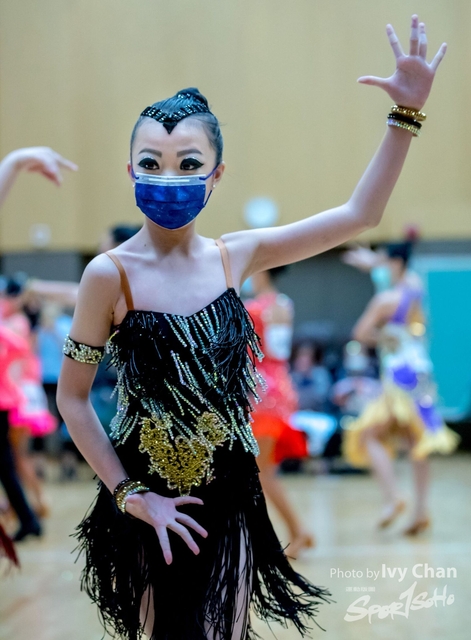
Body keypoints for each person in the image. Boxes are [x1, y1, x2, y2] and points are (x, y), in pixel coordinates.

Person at [57, 17, 446, 639]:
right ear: (130, 170)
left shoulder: (235, 256)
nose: (169, 177)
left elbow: (360, 213)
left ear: (216, 174)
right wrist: (130, 495)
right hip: (145, 495)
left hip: (230, 491)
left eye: (189, 163)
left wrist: (405, 115)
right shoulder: (108, 274)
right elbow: (73, 399)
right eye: (152, 162)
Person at [343, 241, 459, 534]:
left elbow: (360, 332)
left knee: (368, 435)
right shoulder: (415, 289)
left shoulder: (386, 301)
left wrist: (382, 336)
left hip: (399, 375)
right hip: (421, 373)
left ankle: (393, 497)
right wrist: (374, 262)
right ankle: (420, 511)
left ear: (395, 263)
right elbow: (396, 275)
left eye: (385, 261)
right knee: (416, 441)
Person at [0, 147, 76, 543]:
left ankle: (30, 510)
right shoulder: (12, 322)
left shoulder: (16, 325)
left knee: (17, 457)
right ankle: (28, 510)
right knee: (15, 458)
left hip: (17, 395)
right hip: (20, 392)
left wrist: (13, 164)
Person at [245, 269, 313, 559]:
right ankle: (294, 532)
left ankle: (298, 531)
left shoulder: (254, 308)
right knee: (262, 471)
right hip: (281, 388)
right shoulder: (284, 304)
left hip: (262, 394)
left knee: (262, 472)